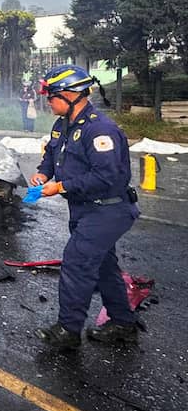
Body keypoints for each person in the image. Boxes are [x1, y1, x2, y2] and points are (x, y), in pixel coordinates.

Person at [31, 65, 139, 350]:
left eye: (51, 96)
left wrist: (61, 187)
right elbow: (52, 155)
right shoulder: (62, 125)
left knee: (77, 264)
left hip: (108, 210)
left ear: (69, 94)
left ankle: (68, 331)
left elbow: (107, 177)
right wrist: (43, 175)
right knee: (104, 267)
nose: (48, 102)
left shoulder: (99, 130)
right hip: (85, 210)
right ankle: (123, 324)